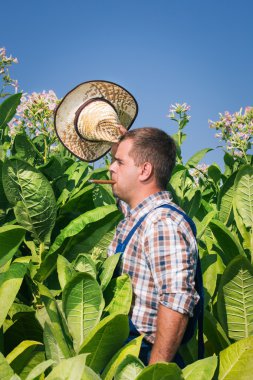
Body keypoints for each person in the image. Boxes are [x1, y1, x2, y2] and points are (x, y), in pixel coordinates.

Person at [107, 127, 200, 365]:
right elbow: (126, 199)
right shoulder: (138, 216)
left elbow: (176, 302)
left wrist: (155, 371)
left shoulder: (161, 223)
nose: (111, 168)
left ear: (145, 170)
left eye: (119, 162)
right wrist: (121, 146)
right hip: (128, 350)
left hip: (146, 356)